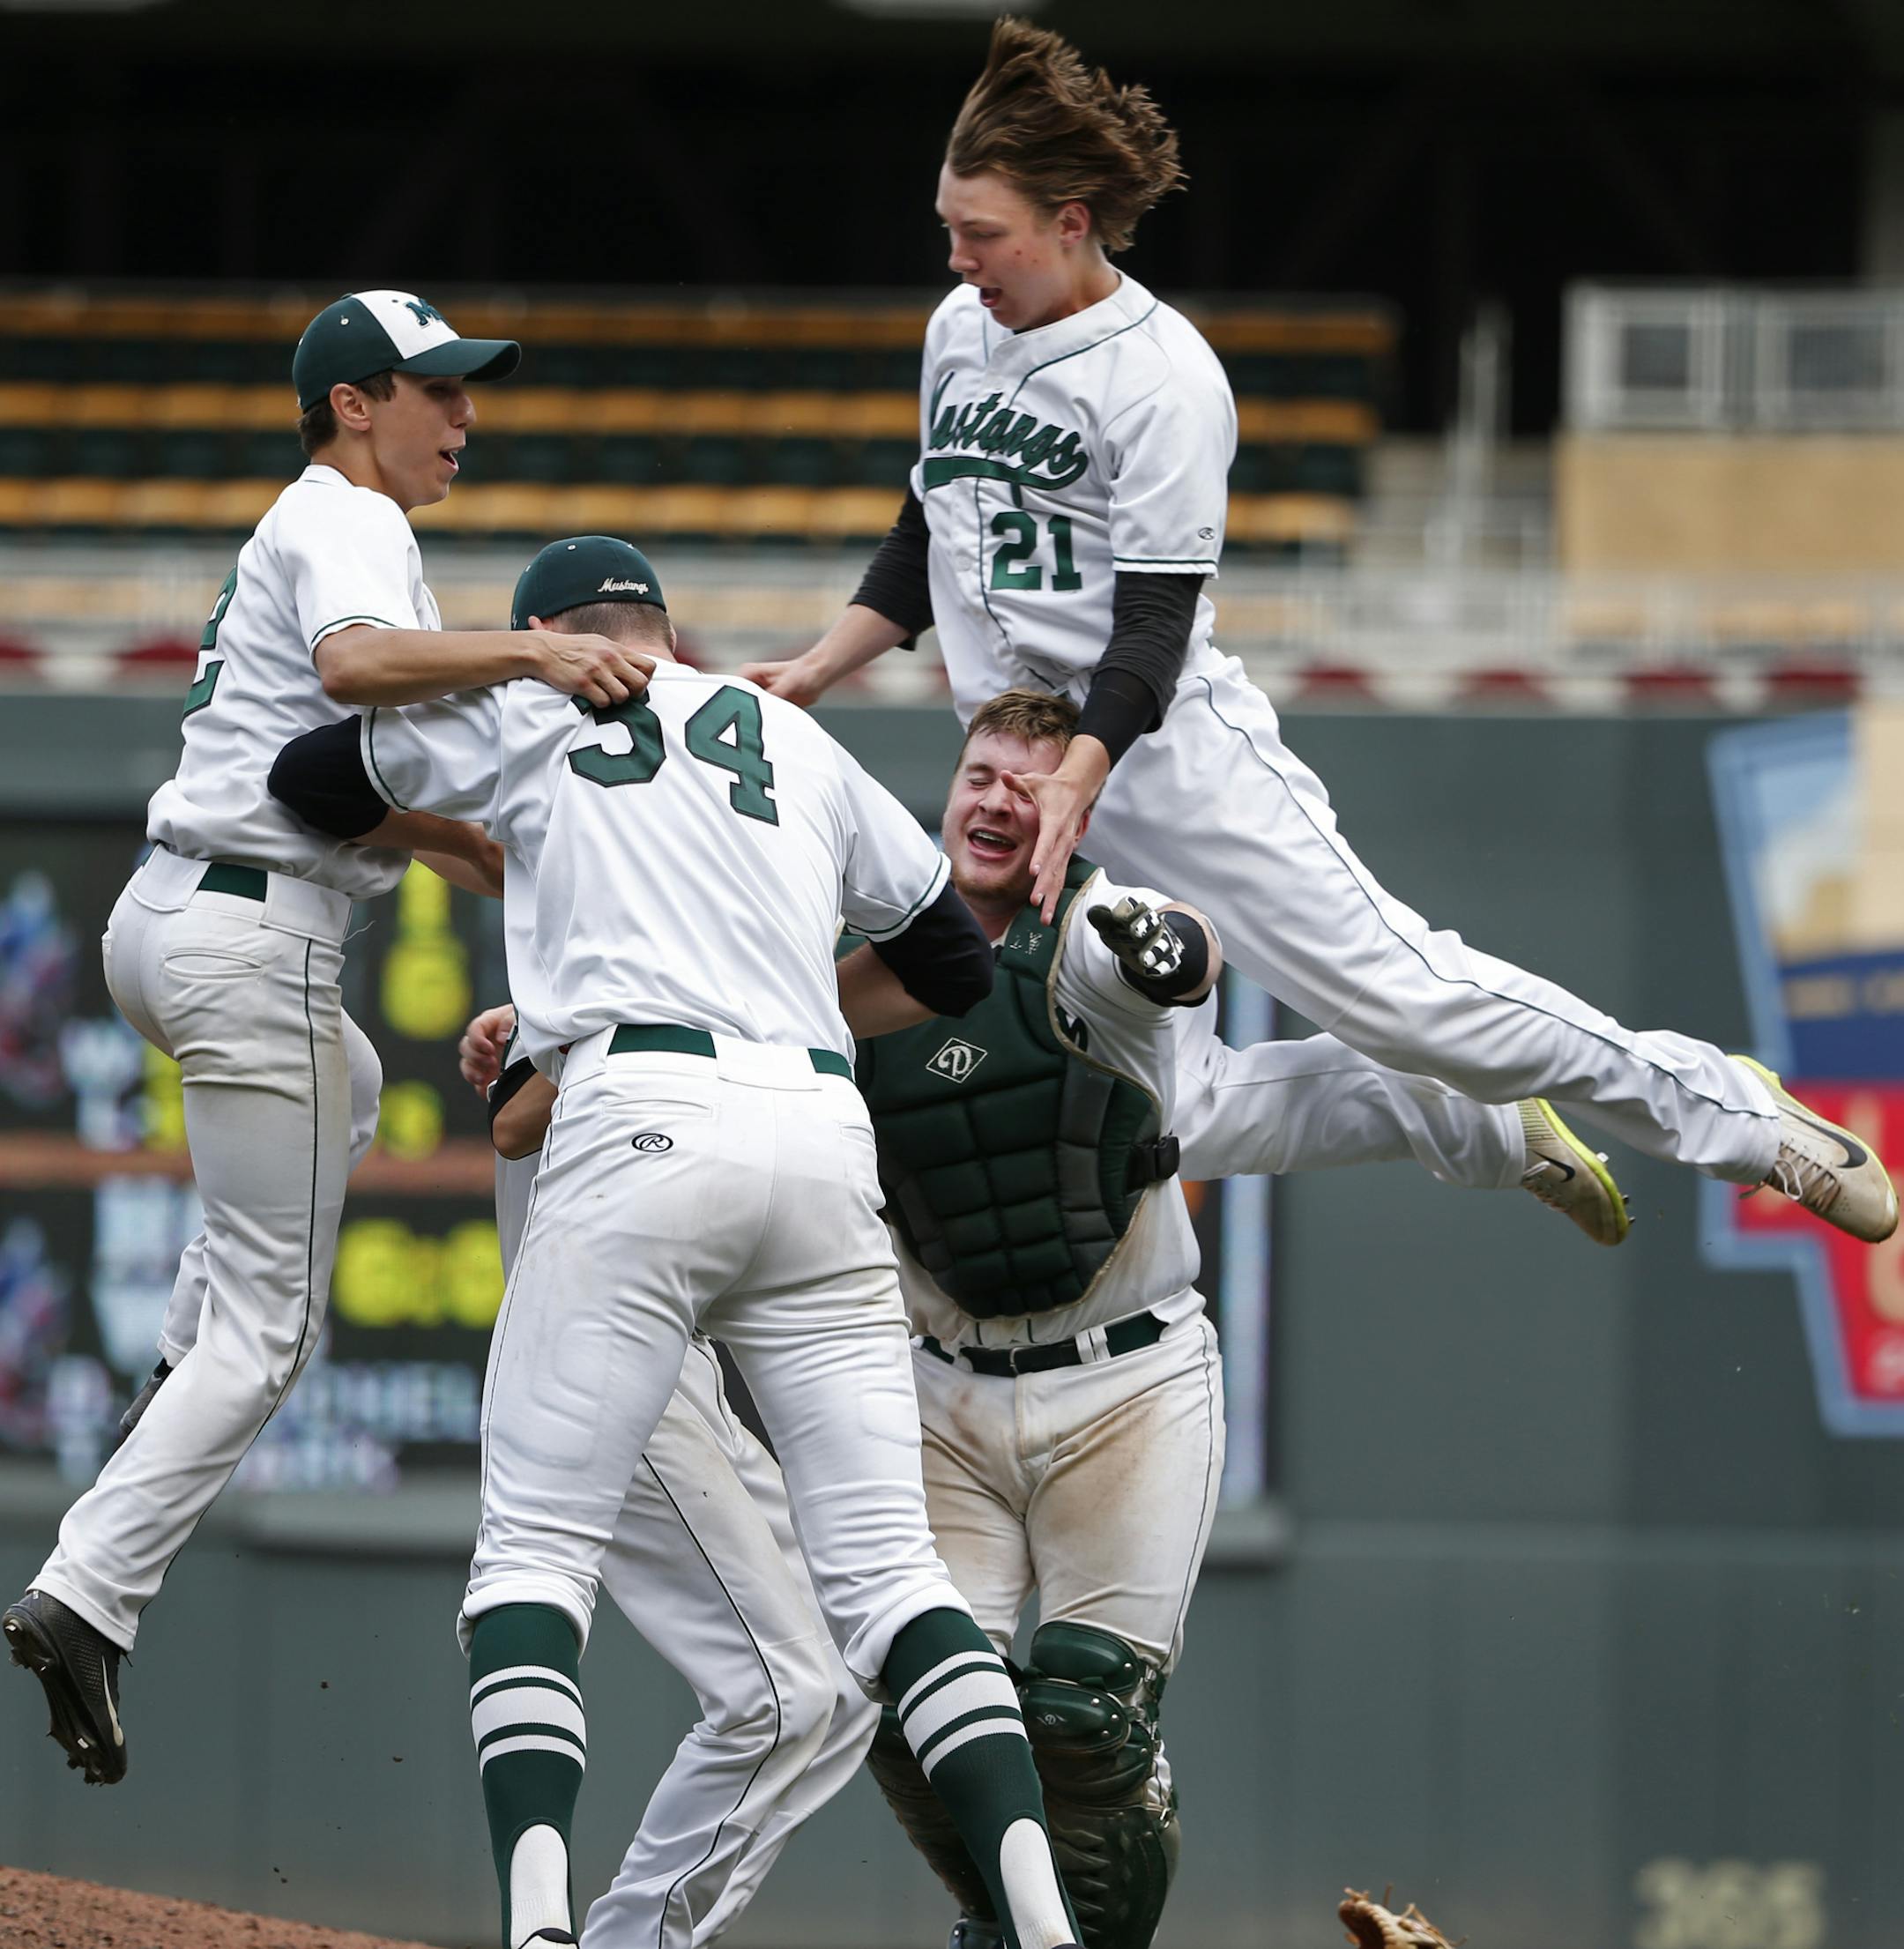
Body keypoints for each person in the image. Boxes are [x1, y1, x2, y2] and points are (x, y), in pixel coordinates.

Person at [456, 679, 1625, 1949]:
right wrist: (556, 1028)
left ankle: (1502, 1123)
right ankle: (1005, 1927)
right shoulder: (847, 960)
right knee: (902, 1692)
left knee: (1081, 1717)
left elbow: (1179, 954)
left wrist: (1164, 940)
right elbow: (698, 996)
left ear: (1073, 805)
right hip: (944, 1385)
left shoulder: (1093, 933)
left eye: (1031, 780)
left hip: (1121, 1374)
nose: (996, 800)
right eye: (978, 777)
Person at [741, 16, 1895, 1249]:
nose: (961, 257)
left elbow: (1155, 621)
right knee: (1165, 1108)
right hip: (1022, 759)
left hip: (1163, 755)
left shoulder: (1162, 373)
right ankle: (1483, 1127)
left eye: (984, 233)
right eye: (949, 230)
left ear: (1072, 218)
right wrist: (821, 661)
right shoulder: (956, 333)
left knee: (1409, 998)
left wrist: (1084, 779)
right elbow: (934, 524)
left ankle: (1743, 1116)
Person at [267, 536, 1090, 1949]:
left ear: (555, 633)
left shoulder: (536, 699)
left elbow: (312, 779)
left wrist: (506, 689)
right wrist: (766, 991)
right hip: (822, 1132)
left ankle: (539, 1930)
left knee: (532, 1556)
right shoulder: (786, 734)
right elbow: (954, 958)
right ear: (667, 627)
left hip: (639, 1120)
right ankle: (1048, 1929)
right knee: (896, 1584)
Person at [3, 291, 657, 1789]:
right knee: (276, 1331)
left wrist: (438, 840)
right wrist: (539, 656)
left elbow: (311, 761)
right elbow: (359, 674)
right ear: (355, 404)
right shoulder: (348, 517)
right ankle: (87, 1594)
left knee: (353, 1088)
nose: (464, 415)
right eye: (438, 389)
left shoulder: (316, 521)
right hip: (256, 935)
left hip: (173, 913)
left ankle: (175, 1374)